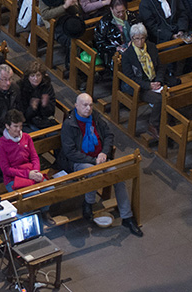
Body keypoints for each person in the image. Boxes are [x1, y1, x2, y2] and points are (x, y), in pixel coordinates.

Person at [58, 93, 142, 235]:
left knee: (119, 177)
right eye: (85, 105)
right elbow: (70, 152)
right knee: (94, 172)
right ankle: (88, 204)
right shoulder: (69, 124)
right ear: (76, 106)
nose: (88, 108)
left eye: (91, 105)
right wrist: (93, 160)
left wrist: (103, 153)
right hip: (80, 161)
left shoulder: (95, 118)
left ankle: (127, 217)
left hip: (100, 158)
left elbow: (109, 135)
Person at [118, 24, 165, 144]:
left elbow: (160, 66)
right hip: (140, 87)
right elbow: (130, 77)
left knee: (170, 94)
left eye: (142, 38)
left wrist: (158, 81)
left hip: (155, 82)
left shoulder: (151, 47)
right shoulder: (128, 55)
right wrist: (149, 86)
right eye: (137, 38)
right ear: (132, 39)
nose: (140, 41)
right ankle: (153, 125)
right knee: (159, 99)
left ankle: (166, 121)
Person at [0, 109, 47, 193]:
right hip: (14, 178)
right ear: (7, 126)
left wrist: (36, 171)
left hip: (31, 172)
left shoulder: (27, 137)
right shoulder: (2, 144)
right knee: (34, 195)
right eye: (15, 126)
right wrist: (28, 174)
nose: (19, 129)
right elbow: (6, 169)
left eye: (20, 126)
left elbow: (34, 157)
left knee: (50, 190)